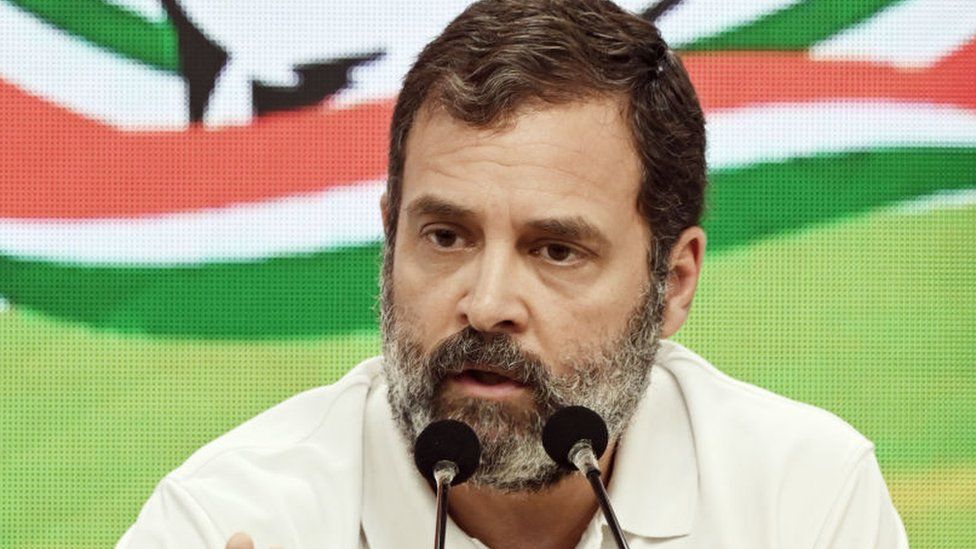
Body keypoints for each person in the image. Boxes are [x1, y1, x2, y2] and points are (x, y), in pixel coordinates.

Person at [117, 1, 909, 547]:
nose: (487, 303)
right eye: (447, 235)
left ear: (673, 282)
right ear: (390, 238)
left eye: (555, 250)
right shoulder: (224, 517)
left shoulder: (806, 500)